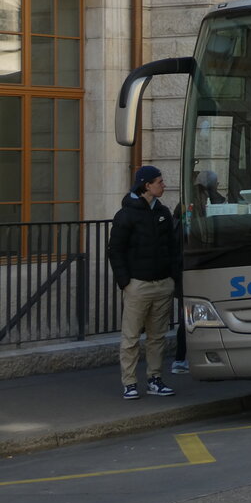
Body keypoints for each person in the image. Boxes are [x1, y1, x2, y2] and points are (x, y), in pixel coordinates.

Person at [107, 165, 181, 399]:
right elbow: (115, 250)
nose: (163, 185)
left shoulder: (163, 212)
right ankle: (129, 382)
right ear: (146, 185)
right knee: (130, 338)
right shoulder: (126, 215)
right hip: (138, 285)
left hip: (162, 283)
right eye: (159, 181)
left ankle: (154, 379)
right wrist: (125, 282)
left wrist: (172, 277)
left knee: (157, 337)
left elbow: (173, 247)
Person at [170, 170, 226, 374]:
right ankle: (184, 358)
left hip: (185, 266)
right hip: (196, 265)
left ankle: (181, 358)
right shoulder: (208, 202)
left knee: (189, 317)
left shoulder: (185, 203)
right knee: (192, 317)